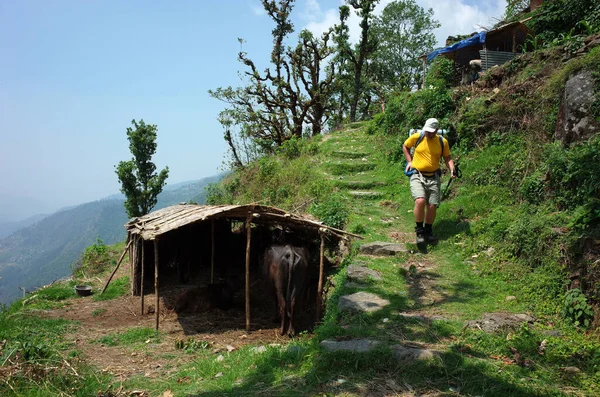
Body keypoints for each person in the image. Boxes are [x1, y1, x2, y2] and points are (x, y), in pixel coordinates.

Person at [402, 118, 455, 246]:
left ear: (436, 130)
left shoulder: (442, 142)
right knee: (420, 200)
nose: (428, 133)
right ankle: (419, 232)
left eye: (431, 132)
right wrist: (410, 161)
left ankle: (428, 231)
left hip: (433, 176)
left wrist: (452, 169)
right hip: (417, 174)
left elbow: (447, 157)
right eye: (426, 131)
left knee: (432, 205)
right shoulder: (417, 137)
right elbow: (405, 146)